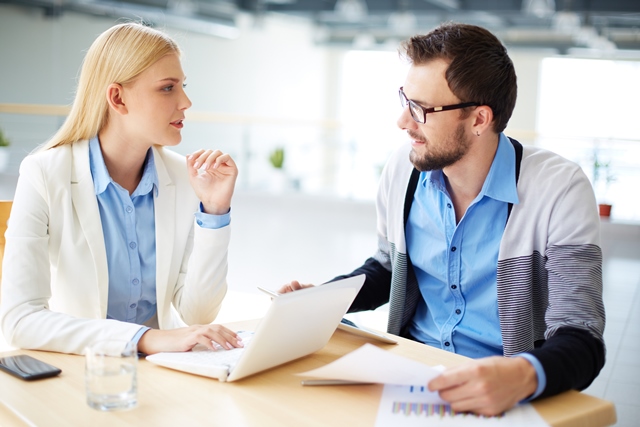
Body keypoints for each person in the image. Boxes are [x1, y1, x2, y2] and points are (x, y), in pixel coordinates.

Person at [279, 22, 605, 416]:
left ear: (479, 119)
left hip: (497, 392)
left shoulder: (560, 188)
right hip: (407, 377)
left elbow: (581, 334)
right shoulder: (403, 168)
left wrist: (519, 375)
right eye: (405, 100)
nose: (403, 121)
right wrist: (320, 301)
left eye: (421, 109)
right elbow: (387, 270)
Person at [0, 22, 243, 356]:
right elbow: (19, 319)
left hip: (166, 373)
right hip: (87, 373)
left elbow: (197, 313)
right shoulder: (44, 174)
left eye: (182, 86)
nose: (186, 101)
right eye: (168, 88)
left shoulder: (184, 177)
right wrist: (144, 338)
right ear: (117, 97)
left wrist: (214, 211)